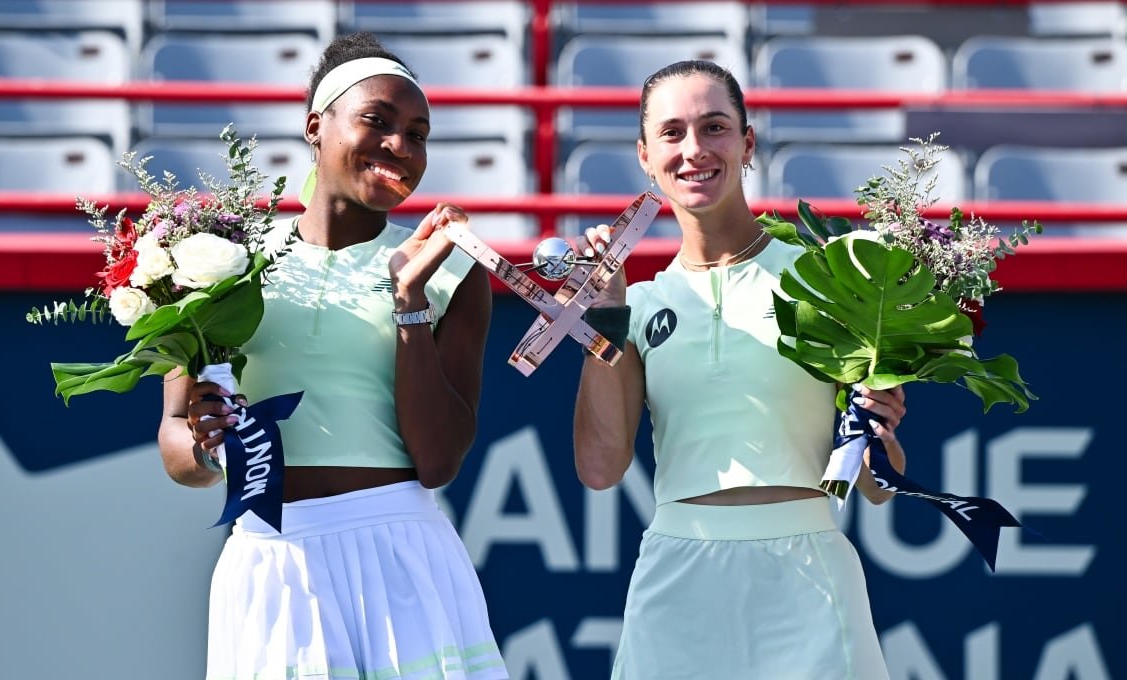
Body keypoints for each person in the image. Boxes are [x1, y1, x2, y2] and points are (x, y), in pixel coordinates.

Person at [157, 32, 507, 680]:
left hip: (403, 557)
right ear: (316, 126)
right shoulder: (221, 263)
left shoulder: (450, 268)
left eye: (418, 133)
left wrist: (408, 298)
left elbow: (437, 462)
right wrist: (208, 447)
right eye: (378, 120)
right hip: (266, 562)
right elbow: (178, 443)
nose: (400, 145)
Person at [573, 60, 908, 679]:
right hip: (676, 583)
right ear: (645, 156)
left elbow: (879, 484)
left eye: (715, 127)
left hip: (810, 580)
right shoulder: (635, 304)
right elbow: (599, 468)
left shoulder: (827, 278)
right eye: (671, 133)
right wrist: (606, 318)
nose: (694, 150)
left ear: (747, 143)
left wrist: (879, 432)